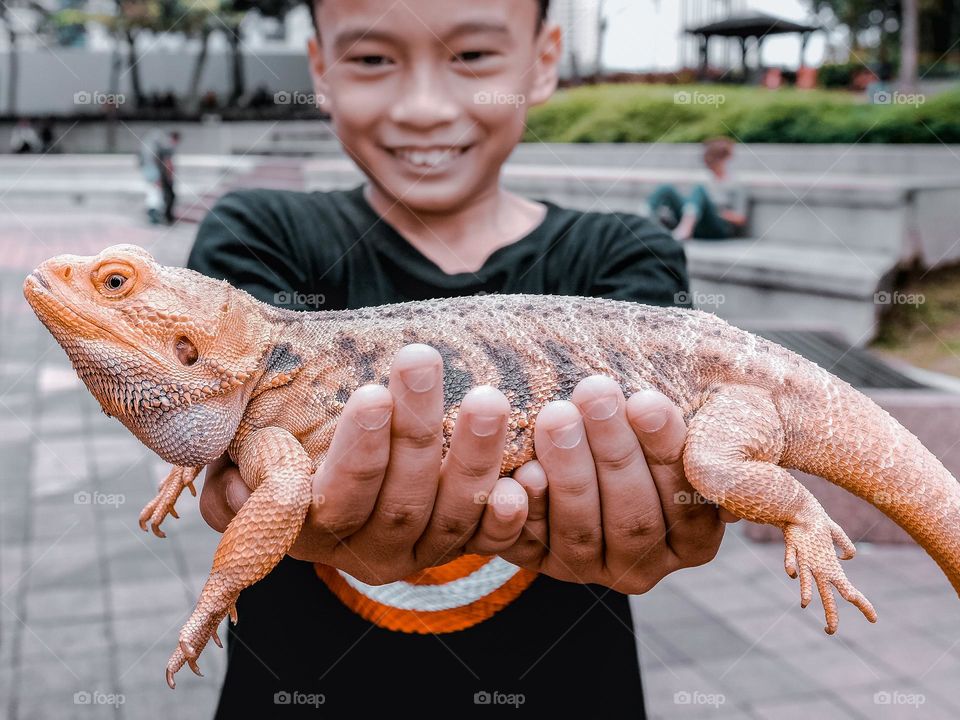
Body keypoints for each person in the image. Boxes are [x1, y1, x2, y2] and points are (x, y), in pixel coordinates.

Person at [187, 1, 737, 716]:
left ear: (543, 62)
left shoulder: (622, 258)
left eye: (472, 56)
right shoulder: (258, 235)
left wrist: (676, 510)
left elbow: (670, 500)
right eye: (373, 58)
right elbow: (224, 446)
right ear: (319, 69)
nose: (422, 108)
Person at [644, 137, 748, 242]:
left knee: (699, 189)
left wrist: (718, 212)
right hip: (697, 223)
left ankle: (685, 228)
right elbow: (692, 202)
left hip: (718, 227)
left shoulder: (735, 183)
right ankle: (643, 220)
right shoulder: (705, 178)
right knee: (666, 188)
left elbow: (740, 219)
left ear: (723, 159)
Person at [138, 129, 180, 225]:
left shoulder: (156, 147)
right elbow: (167, 163)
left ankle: (157, 215)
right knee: (157, 194)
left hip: (154, 173)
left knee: (154, 193)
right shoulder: (165, 148)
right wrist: (163, 177)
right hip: (157, 175)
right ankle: (158, 215)